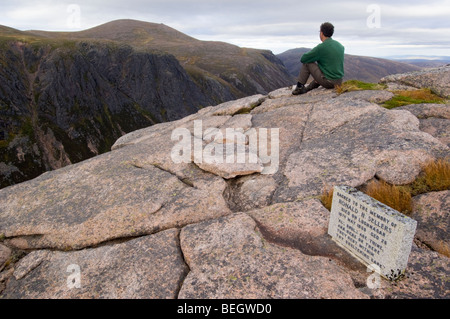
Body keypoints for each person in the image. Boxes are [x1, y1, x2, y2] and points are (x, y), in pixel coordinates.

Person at [292, 22, 345, 95]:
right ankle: (308, 89)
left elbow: (303, 59)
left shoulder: (321, 47)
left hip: (329, 83)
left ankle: (299, 87)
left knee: (307, 63)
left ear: (322, 33)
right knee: (323, 70)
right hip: (339, 82)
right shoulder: (340, 46)